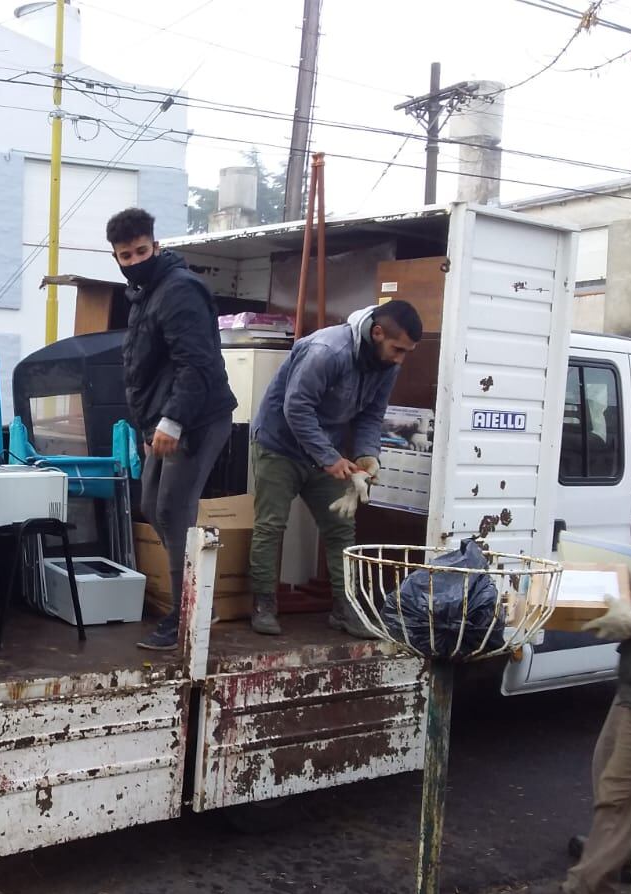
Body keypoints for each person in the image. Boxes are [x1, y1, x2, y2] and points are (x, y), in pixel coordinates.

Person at [248, 300, 422, 637]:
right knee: (271, 526)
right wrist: (329, 458)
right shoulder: (327, 351)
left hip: (324, 450)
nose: (400, 359)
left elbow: (371, 414)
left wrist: (367, 454)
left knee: (341, 527)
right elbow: (296, 408)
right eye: (397, 349)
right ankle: (263, 604)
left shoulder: (388, 365)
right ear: (377, 333)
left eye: (407, 352)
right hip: (279, 445)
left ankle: (346, 609)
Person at [108, 207, 237, 651]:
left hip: (197, 417)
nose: (134, 260)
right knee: (151, 503)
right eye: (125, 255)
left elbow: (196, 364)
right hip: (165, 420)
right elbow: (146, 369)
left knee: (173, 510)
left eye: (141, 251)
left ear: (156, 246)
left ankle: (188, 612)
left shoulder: (178, 290)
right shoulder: (145, 293)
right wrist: (150, 427)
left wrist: (173, 420)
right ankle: (196, 595)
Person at [527, 540, 631, 894]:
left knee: (621, 791)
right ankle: (624, 852)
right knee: (607, 762)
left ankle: (590, 892)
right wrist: (621, 587)